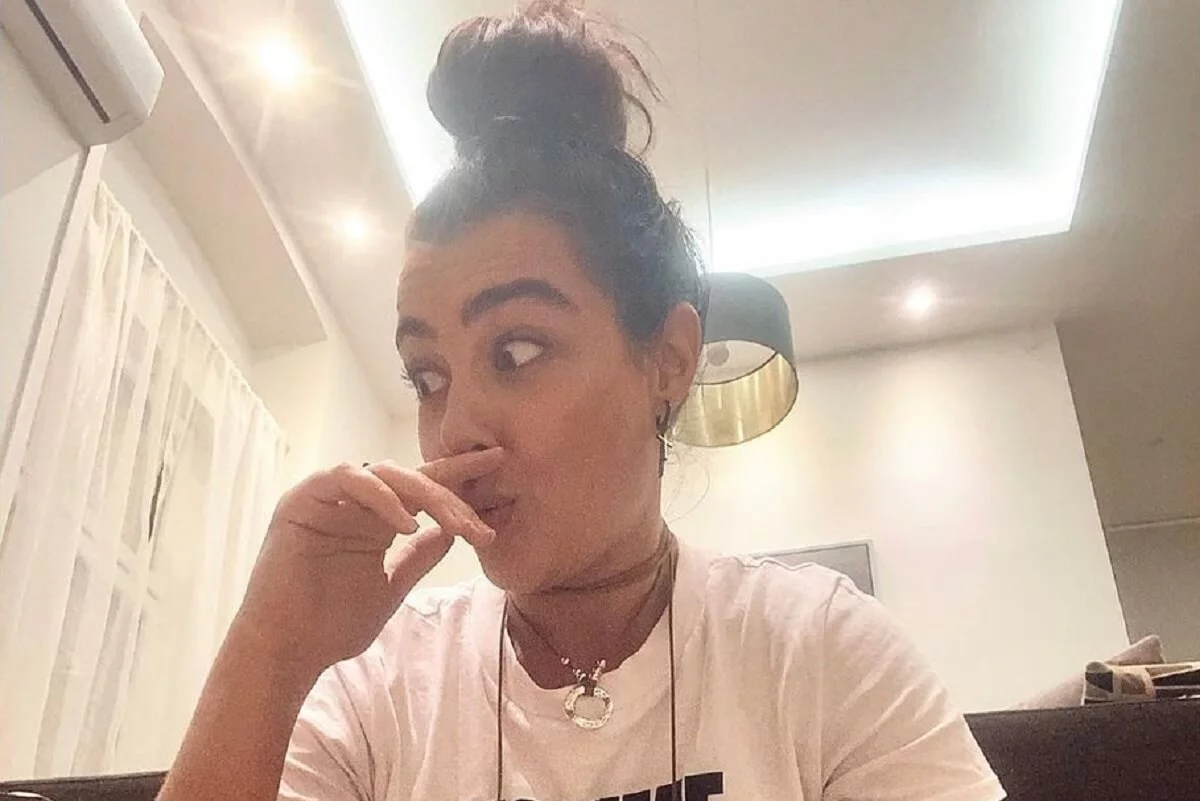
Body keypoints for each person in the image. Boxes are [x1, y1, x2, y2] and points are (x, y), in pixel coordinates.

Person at [159, 3, 1005, 800]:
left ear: (668, 360)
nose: (455, 430)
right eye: (427, 376)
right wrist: (270, 653)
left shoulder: (814, 648)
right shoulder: (380, 686)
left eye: (517, 352)